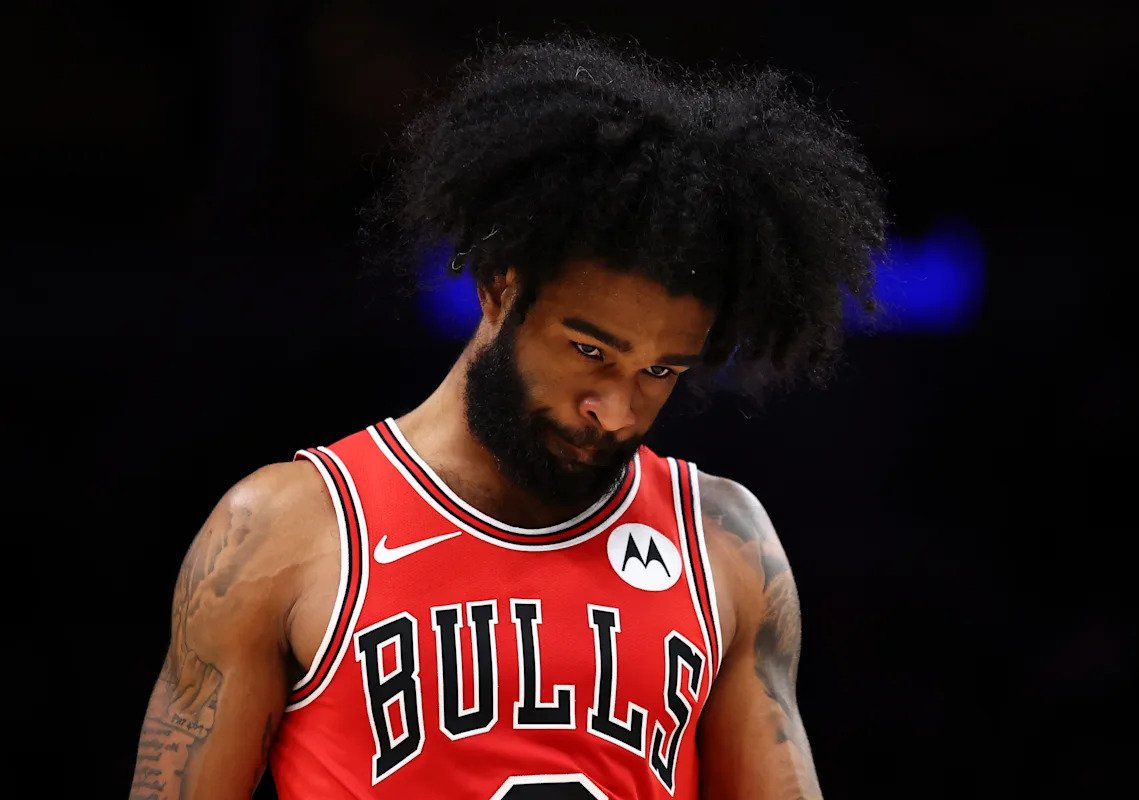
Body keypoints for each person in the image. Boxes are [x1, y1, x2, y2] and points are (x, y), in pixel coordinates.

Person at [129, 32, 887, 800]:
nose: (615, 411)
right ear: (500, 285)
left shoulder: (725, 545)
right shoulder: (281, 531)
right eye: (590, 351)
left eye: (659, 371)